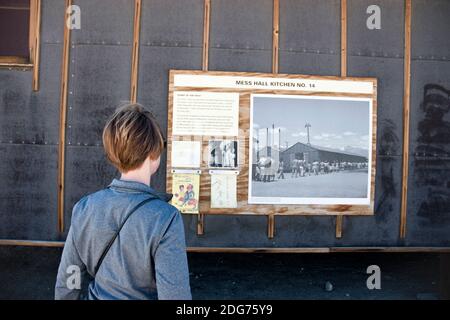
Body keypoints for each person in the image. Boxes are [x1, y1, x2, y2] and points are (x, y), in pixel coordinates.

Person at [55, 103, 191, 300]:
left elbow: (70, 278)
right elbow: (175, 296)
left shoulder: (84, 208)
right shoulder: (165, 218)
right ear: (154, 152)